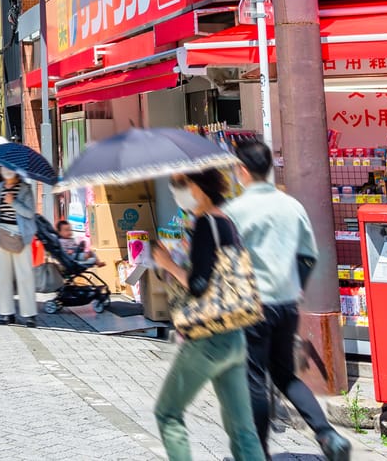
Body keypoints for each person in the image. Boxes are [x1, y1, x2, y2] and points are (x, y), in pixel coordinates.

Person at [225, 140, 351, 461]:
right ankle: (328, 435)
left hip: (250, 305)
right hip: (286, 304)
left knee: (252, 378)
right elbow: (308, 256)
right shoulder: (291, 206)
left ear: (241, 170)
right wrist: (295, 289)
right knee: (284, 375)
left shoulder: (233, 211)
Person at [150, 170, 267, 461]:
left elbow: (199, 285)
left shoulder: (204, 224)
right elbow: (217, 273)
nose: (175, 190)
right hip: (234, 336)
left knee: (167, 412)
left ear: (198, 187)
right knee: (243, 429)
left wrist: (167, 263)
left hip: (207, 339)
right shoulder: (225, 222)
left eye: (179, 184)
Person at [0, 161, 40, 327]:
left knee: (24, 275)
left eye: (10, 167)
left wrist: (14, 202)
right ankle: (6, 313)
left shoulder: (25, 189)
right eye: (3, 167)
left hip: (21, 236)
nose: (6, 170)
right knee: (4, 277)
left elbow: (29, 213)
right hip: (3, 234)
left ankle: (29, 314)